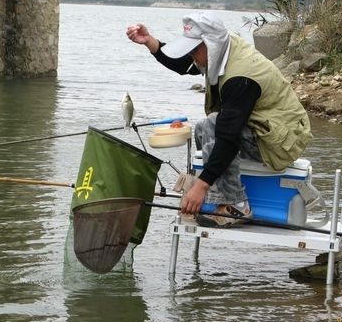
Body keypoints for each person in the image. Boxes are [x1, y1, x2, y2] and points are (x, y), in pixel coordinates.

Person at [126, 12, 312, 228]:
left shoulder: (241, 76)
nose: (192, 55)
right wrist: (151, 42)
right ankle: (218, 196)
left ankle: (237, 205)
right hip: (267, 127)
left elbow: (228, 136)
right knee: (203, 130)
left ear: (210, 45)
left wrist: (202, 185)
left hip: (282, 140)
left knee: (212, 126)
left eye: (194, 49)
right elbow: (184, 64)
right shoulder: (221, 47)